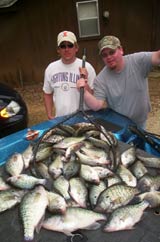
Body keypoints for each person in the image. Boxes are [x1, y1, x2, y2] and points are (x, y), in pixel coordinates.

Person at [77, 35, 160, 128]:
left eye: (112, 52)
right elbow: (97, 105)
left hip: (141, 122)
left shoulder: (138, 61)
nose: (108, 57)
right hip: (119, 126)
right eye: (104, 55)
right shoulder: (100, 79)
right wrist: (84, 91)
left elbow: (157, 57)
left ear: (121, 50)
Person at [43, 30, 96, 119]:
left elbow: (94, 97)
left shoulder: (87, 67)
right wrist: (49, 114)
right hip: (60, 119)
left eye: (70, 45)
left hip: (84, 118)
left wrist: (85, 84)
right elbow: (47, 93)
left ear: (76, 48)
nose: (66, 49)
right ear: (58, 50)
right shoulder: (51, 68)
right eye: (63, 46)